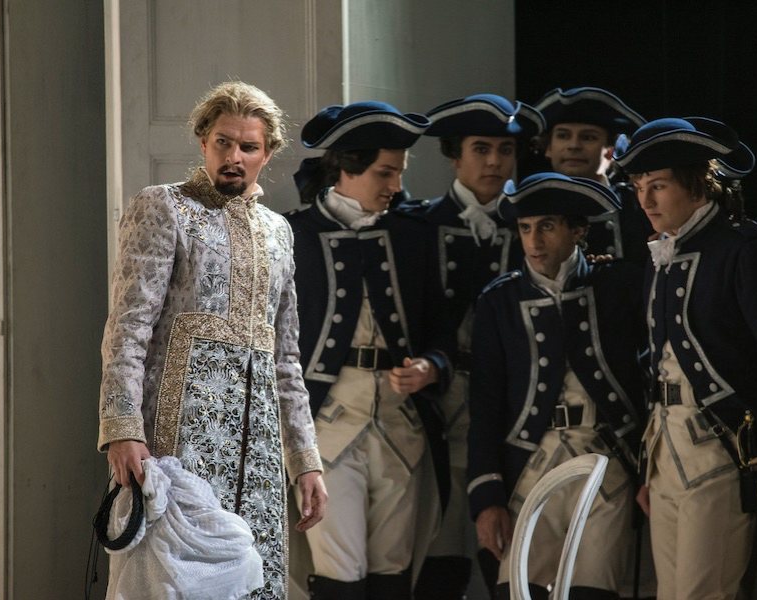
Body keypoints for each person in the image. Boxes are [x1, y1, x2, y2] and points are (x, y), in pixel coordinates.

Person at [98, 81, 327, 600]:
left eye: (248, 146)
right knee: (173, 583)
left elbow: (285, 359)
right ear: (204, 141)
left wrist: (305, 459)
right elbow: (128, 328)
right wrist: (122, 429)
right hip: (177, 444)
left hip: (259, 450)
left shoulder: (279, 231)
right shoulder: (163, 207)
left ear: (267, 153)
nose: (234, 157)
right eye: (223, 142)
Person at [613, 117, 757, 599]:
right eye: (638, 188)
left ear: (698, 184)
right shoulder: (663, 256)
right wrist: (649, 468)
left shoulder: (744, 251)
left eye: (658, 186)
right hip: (664, 453)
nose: (646, 201)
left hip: (720, 450)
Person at [286, 101, 456, 599]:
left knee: (393, 576)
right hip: (328, 426)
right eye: (385, 172)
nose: (396, 186)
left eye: (399, 172)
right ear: (347, 166)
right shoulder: (294, 235)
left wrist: (432, 366)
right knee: (339, 576)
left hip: (401, 426)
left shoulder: (413, 237)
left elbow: (442, 328)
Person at [468, 173, 647, 600]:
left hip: (606, 458)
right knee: (518, 590)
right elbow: (486, 404)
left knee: (594, 591)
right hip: (531, 462)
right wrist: (487, 497)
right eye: (525, 228)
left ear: (578, 230)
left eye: (547, 226)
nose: (534, 241)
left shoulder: (618, 284)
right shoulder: (499, 300)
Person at [397, 93, 545, 599]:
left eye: (505, 150)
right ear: (454, 156)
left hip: (510, 403)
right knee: (439, 549)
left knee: (507, 547)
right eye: (480, 149)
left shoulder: (530, 225)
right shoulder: (418, 225)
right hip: (437, 403)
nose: (494, 161)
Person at [533, 86, 651, 265]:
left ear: (610, 151)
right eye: (563, 136)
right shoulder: (532, 207)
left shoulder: (638, 204)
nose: (574, 145)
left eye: (588, 137)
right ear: (548, 147)